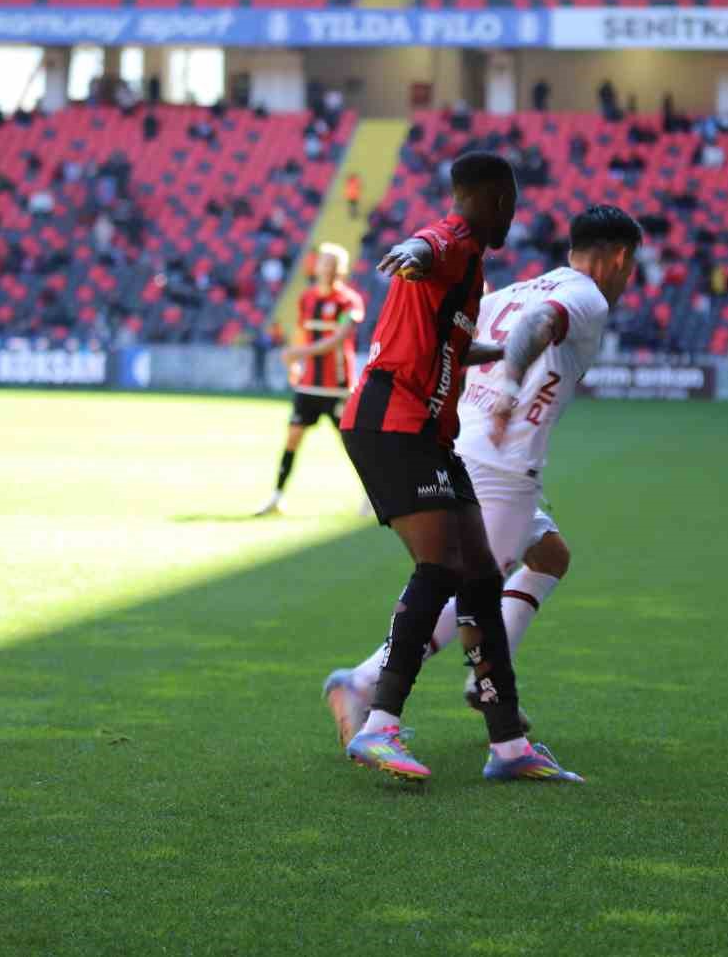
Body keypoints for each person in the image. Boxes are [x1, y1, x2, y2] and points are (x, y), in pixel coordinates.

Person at [323, 204, 642, 750]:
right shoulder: (584, 295)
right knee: (467, 590)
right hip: (503, 465)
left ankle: (485, 679)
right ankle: (363, 682)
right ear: (618, 258)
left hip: (466, 449)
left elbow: (456, 343)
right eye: (631, 267)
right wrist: (513, 383)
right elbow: (542, 327)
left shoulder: (515, 290)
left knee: (550, 557)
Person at [337, 152, 579, 784]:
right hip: (392, 421)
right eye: (515, 201)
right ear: (498, 198)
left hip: (428, 431)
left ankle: (508, 745)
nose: (516, 214)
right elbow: (427, 243)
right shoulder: (456, 242)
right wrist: (412, 250)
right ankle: (378, 726)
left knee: (478, 579)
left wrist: (499, 350)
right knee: (441, 564)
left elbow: (449, 341)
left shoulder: (470, 271)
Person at [254, 243, 365, 517]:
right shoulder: (307, 299)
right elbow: (302, 333)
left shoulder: (348, 302)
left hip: (337, 386)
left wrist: (298, 353)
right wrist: (297, 364)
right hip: (309, 385)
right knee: (293, 437)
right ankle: (277, 497)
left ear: (339, 268)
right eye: (322, 261)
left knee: (351, 444)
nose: (324, 266)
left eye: (330, 262)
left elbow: (338, 339)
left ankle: (372, 497)